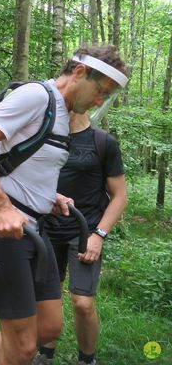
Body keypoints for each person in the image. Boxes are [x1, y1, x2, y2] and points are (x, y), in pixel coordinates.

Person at [0, 46, 127, 365]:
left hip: (36, 228)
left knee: (47, 327)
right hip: (3, 231)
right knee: (22, 347)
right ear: (78, 73)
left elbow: (28, 162)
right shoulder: (37, 97)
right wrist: (1, 206)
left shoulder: (64, 114)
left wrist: (50, 197)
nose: (100, 102)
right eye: (101, 92)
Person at [33, 111, 127, 365]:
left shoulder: (103, 141)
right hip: (46, 228)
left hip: (85, 230)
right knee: (46, 297)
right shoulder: (44, 137)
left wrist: (100, 235)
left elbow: (119, 196)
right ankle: (45, 354)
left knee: (82, 302)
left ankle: (87, 360)